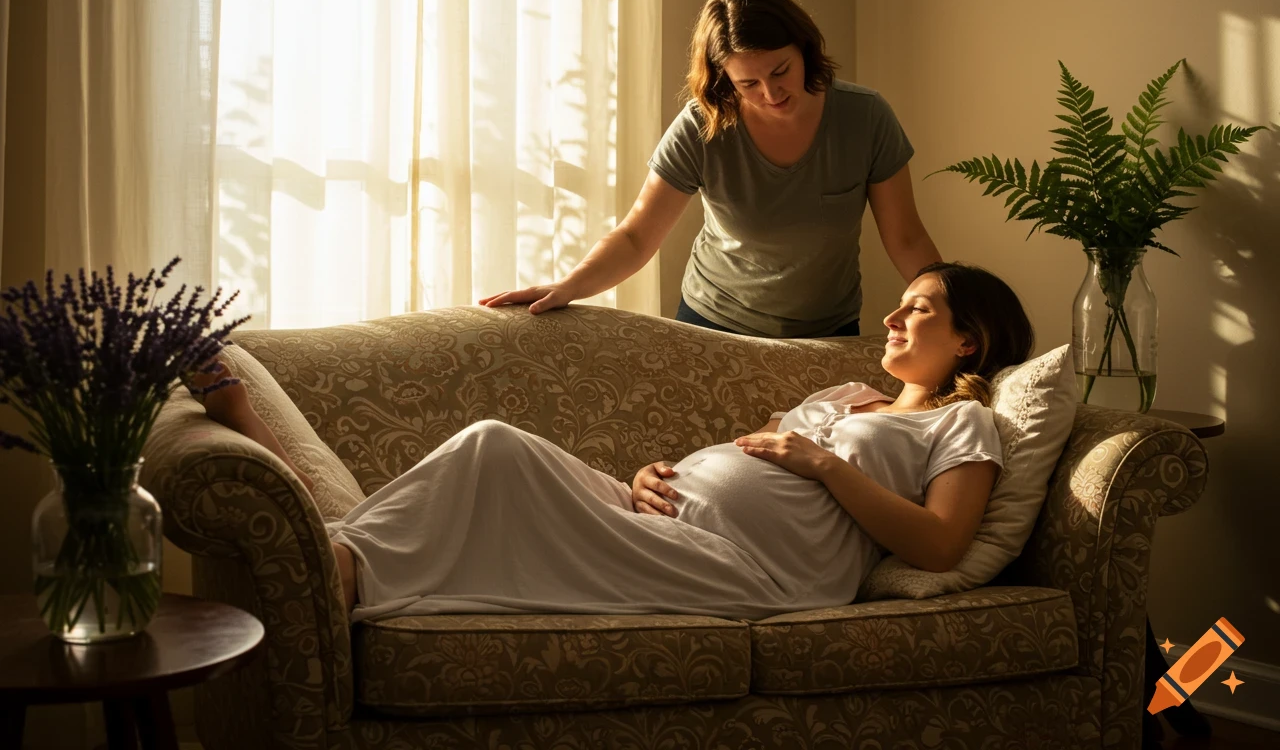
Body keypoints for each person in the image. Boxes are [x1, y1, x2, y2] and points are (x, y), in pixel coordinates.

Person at [190, 262, 1033, 622]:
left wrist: (819, 461)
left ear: (970, 341)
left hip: (762, 574)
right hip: (667, 517)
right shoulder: (849, 392)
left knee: (491, 457)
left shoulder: (963, 422)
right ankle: (321, 544)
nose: (890, 317)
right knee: (495, 446)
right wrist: (645, 472)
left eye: (918, 308)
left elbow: (940, 542)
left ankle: (323, 562)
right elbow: (745, 456)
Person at [479, 0, 942, 338]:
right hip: (713, 322)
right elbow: (638, 236)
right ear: (725, 80)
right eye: (748, 84)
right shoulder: (702, 126)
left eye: (780, 71)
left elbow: (905, 237)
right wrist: (570, 286)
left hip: (828, 331)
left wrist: (953, 310)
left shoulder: (866, 117)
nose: (771, 92)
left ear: (805, 48)